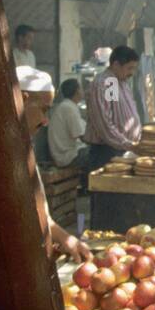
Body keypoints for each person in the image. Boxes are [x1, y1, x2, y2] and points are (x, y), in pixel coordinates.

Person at [16, 67, 90, 262]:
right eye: (43, 109)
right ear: (21, 100)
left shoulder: (24, 146)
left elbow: (40, 214)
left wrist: (65, 238)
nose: (45, 120)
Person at [84, 45, 142, 170]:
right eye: (129, 68)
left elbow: (116, 114)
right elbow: (105, 124)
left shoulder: (118, 82)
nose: (132, 73)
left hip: (123, 149)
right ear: (116, 65)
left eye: (134, 68)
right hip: (107, 152)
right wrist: (127, 144)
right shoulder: (106, 82)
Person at [47, 78, 88, 169]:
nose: (83, 90)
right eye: (81, 88)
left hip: (70, 152)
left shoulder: (69, 106)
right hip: (66, 156)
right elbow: (81, 136)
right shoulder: (68, 108)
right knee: (98, 153)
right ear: (77, 91)